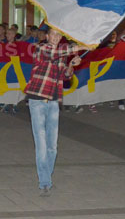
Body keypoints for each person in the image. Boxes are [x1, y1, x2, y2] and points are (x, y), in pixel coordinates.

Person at [23, 27, 85, 196]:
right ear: (47, 36)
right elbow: (53, 53)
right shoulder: (41, 48)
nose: (56, 37)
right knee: (41, 144)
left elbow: (65, 76)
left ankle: (46, 178)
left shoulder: (62, 54)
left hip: (53, 101)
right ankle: (45, 182)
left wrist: (71, 66)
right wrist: (81, 46)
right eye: (53, 34)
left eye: (59, 34)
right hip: (37, 99)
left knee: (52, 146)